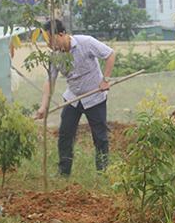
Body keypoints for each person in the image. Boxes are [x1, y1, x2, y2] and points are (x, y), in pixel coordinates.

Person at [34, 20, 116, 176]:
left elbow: (110, 54)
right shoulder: (54, 56)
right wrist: (44, 106)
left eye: (50, 41)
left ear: (61, 35)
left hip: (95, 98)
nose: (49, 45)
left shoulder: (86, 42)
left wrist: (105, 79)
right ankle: (64, 171)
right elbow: (49, 81)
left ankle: (103, 172)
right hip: (73, 99)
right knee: (65, 134)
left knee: (100, 136)